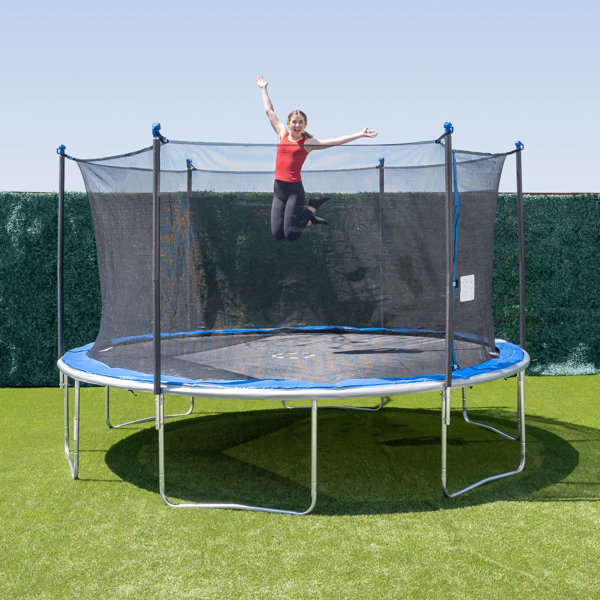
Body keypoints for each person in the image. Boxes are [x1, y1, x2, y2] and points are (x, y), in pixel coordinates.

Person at [256, 76, 377, 242]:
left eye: (301, 122)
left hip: (294, 191)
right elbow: (269, 111)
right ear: (288, 123)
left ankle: (310, 210)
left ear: (305, 125)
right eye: (294, 122)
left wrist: (360, 134)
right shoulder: (282, 134)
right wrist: (263, 88)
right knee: (277, 234)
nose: (297, 125)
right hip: (278, 189)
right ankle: (310, 217)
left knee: (291, 235)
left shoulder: (307, 143)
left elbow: (336, 141)